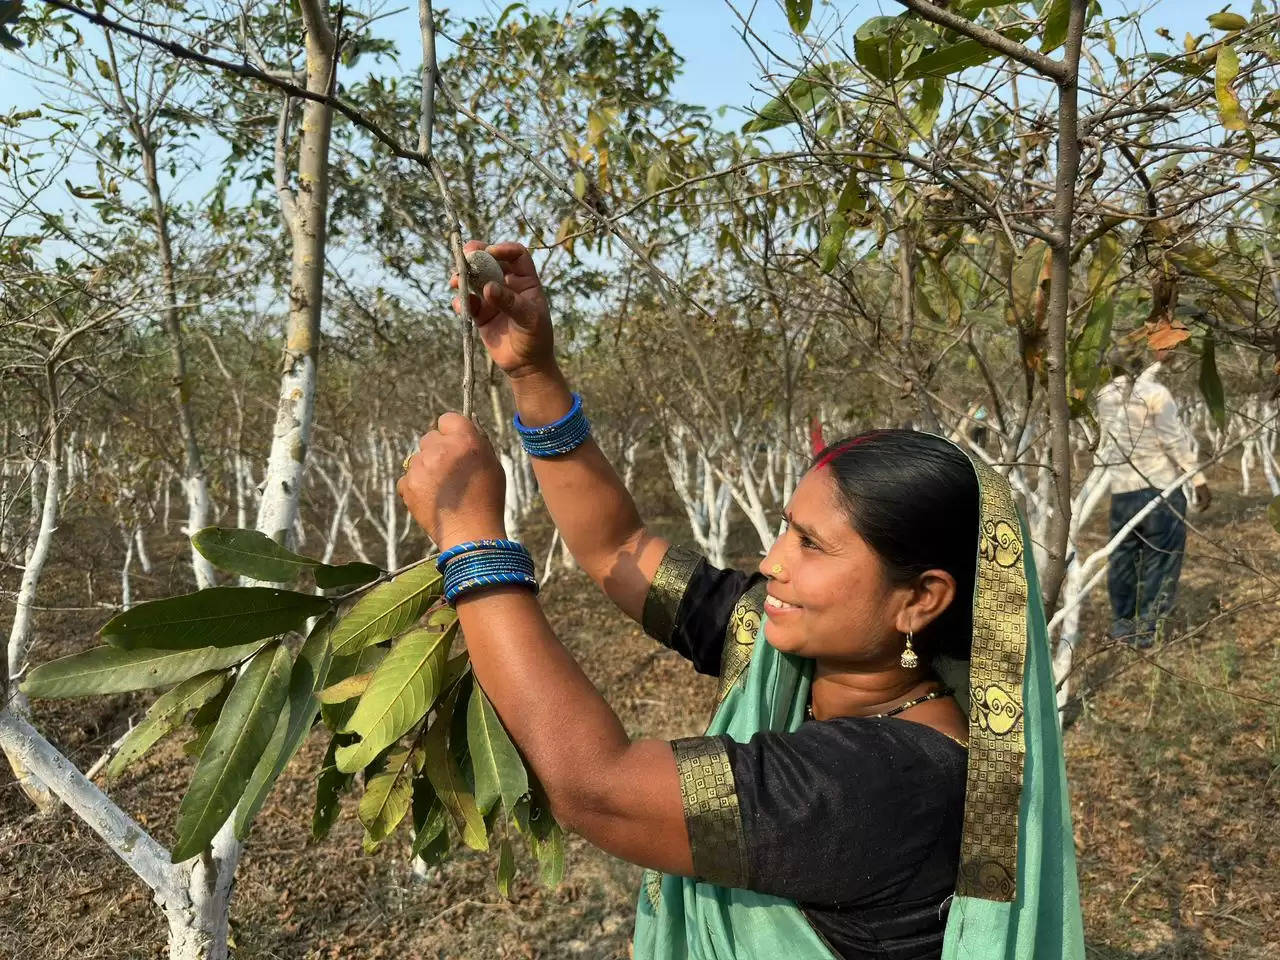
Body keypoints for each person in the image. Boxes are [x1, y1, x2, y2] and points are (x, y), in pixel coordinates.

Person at [396, 241, 1085, 960]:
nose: (773, 563)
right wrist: (532, 371)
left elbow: (597, 787)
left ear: (920, 600)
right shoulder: (790, 651)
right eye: (787, 528)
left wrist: (468, 536)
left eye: (812, 545)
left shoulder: (886, 784)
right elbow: (615, 549)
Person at [1095, 345, 1210, 648]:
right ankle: (1147, 630)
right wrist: (1198, 479)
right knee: (1161, 560)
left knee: (1123, 559)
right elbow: (1172, 440)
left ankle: (1122, 626)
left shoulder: (1105, 396)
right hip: (1160, 488)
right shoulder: (1156, 394)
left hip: (1123, 492)